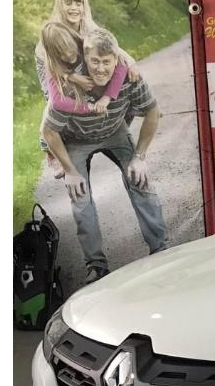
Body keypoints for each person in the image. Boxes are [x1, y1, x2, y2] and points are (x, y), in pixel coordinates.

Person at [42, 28, 167, 284]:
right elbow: (49, 131)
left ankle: (160, 248)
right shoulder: (70, 84)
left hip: (114, 132)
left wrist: (140, 156)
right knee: (79, 195)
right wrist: (70, 171)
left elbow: (153, 112)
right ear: (85, 58)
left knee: (140, 179)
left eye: (106, 62)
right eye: (94, 62)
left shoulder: (129, 76)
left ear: (116, 60)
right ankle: (96, 265)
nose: (100, 69)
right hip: (76, 139)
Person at [34, 0, 138, 178]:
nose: (74, 8)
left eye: (78, 3)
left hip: (74, 63)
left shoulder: (88, 26)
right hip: (52, 67)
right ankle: (52, 151)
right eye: (68, 3)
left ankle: (116, 128)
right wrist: (72, 77)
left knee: (113, 87)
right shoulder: (54, 31)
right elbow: (51, 65)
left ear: (84, 5)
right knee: (55, 102)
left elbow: (111, 47)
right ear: (60, 5)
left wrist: (131, 62)